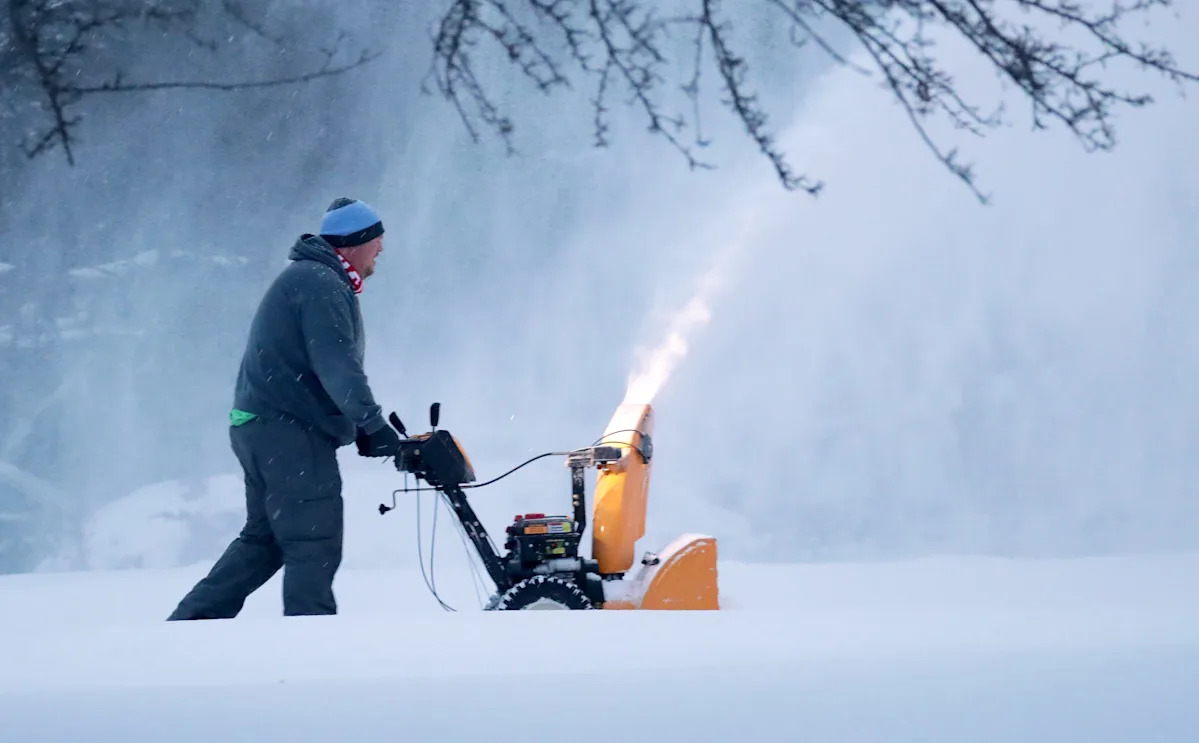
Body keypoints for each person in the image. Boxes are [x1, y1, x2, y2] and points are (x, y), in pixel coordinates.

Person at [167, 197, 403, 620]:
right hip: (288, 431)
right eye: (377, 241)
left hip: (261, 426)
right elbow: (336, 364)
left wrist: (360, 428)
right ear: (353, 243)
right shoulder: (320, 282)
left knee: (267, 540)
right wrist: (371, 422)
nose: (381, 249)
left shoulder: (311, 277)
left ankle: (189, 626)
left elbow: (317, 367)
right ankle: (309, 638)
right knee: (314, 538)